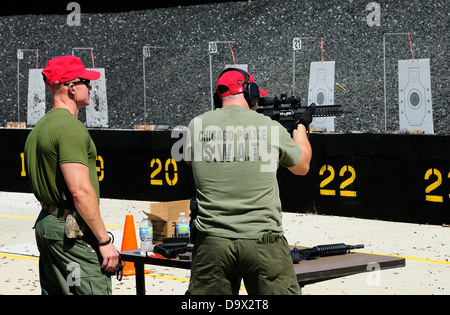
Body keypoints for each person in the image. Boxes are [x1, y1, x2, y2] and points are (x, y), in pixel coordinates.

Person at [185, 68, 314, 295]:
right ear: (250, 93)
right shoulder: (269, 127)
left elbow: (191, 160)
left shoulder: (195, 126)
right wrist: (300, 127)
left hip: (212, 242)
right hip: (263, 241)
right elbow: (302, 166)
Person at [24, 56, 119, 295]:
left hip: (47, 224)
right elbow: (80, 191)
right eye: (86, 81)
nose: (90, 87)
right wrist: (104, 242)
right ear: (71, 87)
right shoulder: (70, 128)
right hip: (69, 232)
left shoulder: (40, 127)